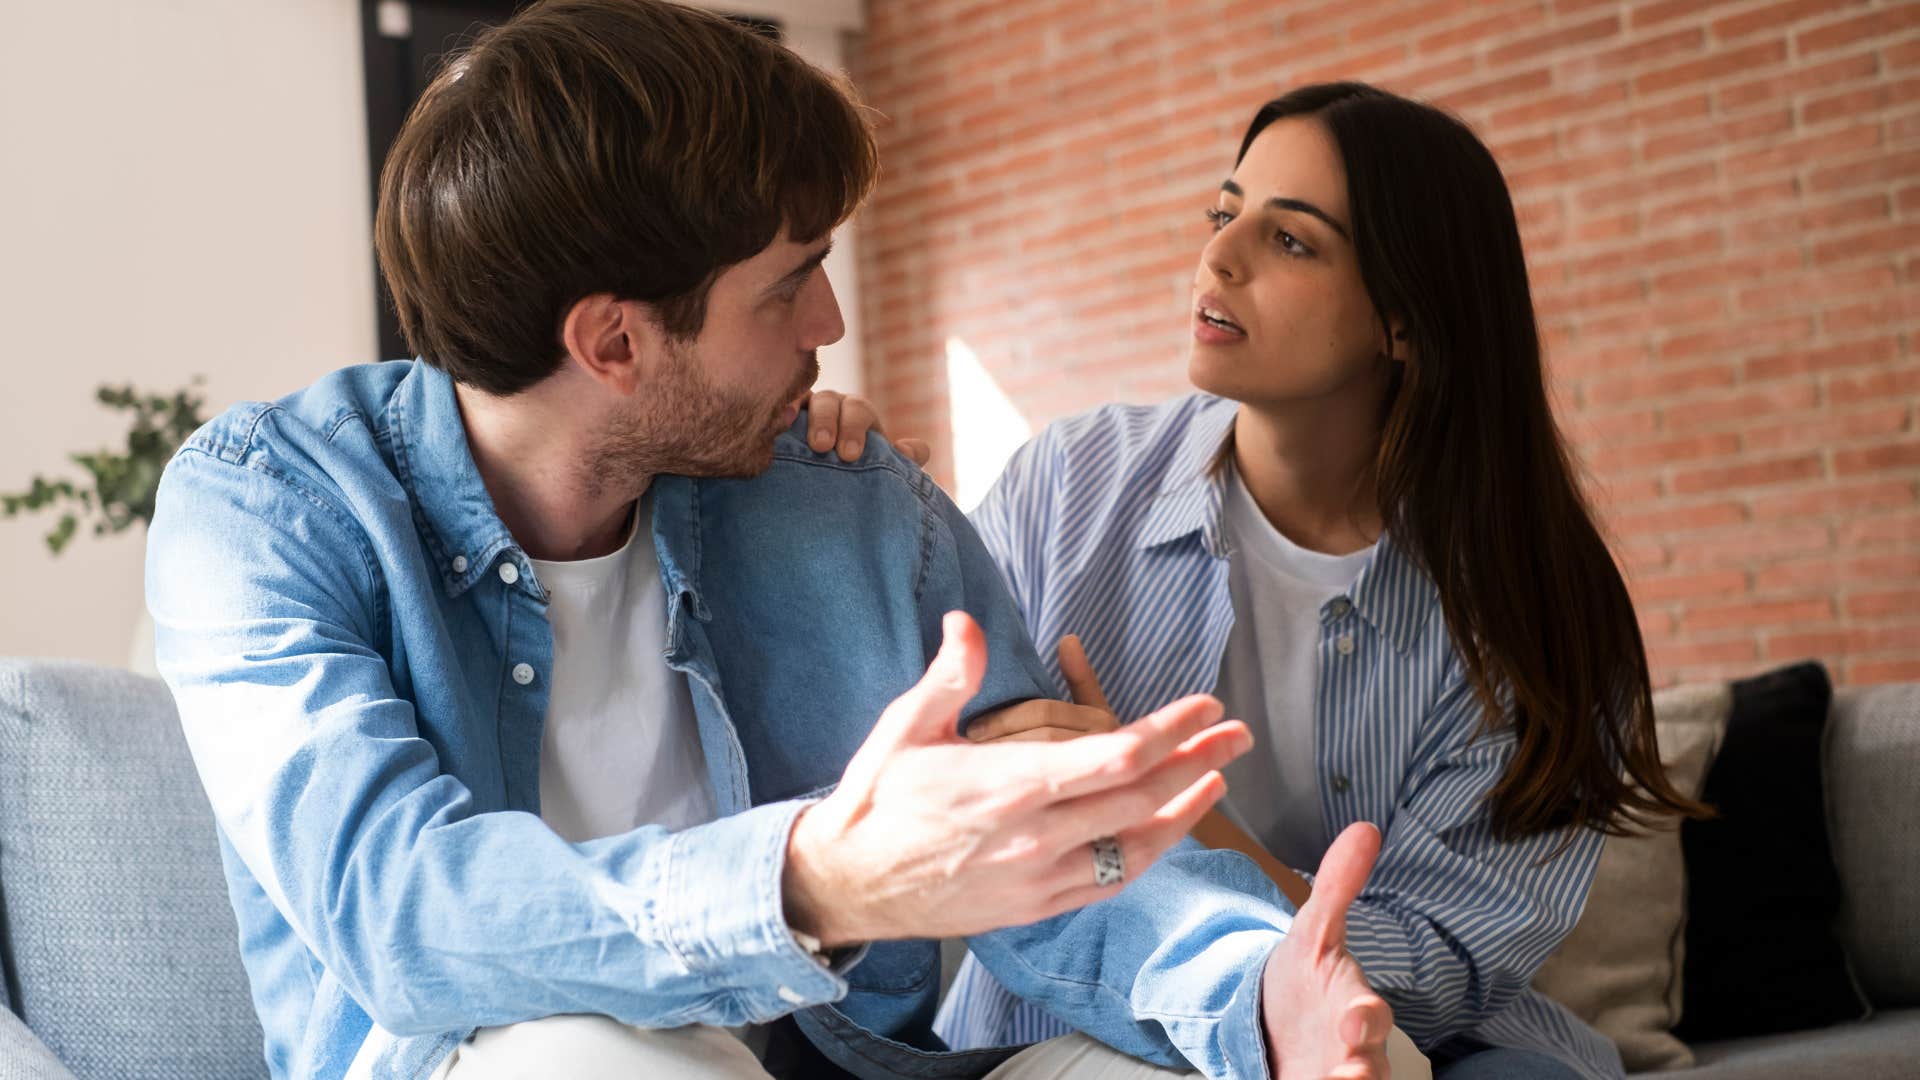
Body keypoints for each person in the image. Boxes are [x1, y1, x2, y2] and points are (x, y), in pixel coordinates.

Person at [144, 7, 1400, 1080]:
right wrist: (822, 878)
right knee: (593, 1057)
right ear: (616, 345)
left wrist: (1254, 989)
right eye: (789, 283)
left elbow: (1050, 851)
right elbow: (400, 912)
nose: (833, 319)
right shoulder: (269, 509)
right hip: (505, 1061)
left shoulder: (842, 494)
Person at [912, 82, 1709, 1080]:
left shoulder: (1536, 609)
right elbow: (912, 771)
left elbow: (1433, 973)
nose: (1219, 255)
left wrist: (1174, 815)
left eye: (1291, 241)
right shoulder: (1069, 485)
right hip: (1076, 1021)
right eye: (1224, 211)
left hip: (1409, 1042)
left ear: (1406, 322)